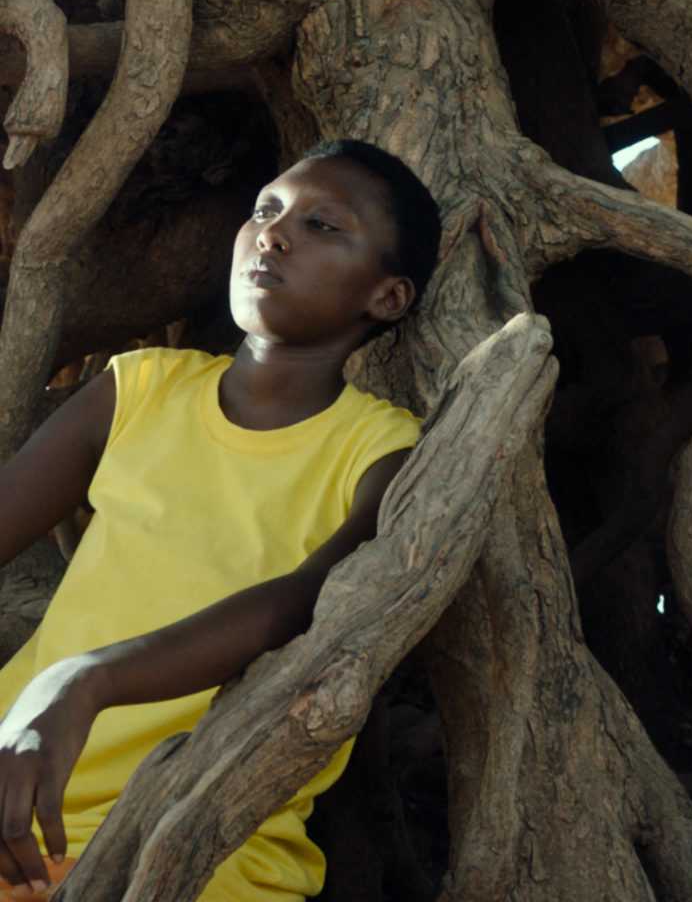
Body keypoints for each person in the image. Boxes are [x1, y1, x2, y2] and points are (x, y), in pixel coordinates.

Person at [0, 139, 441, 901]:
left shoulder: (385, 454)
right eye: (265, 210)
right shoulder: (139, 389)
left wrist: (86, 681)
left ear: (388, 297)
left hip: (201, 848)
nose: (274, 234)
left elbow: (301, 604)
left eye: (322, 225)